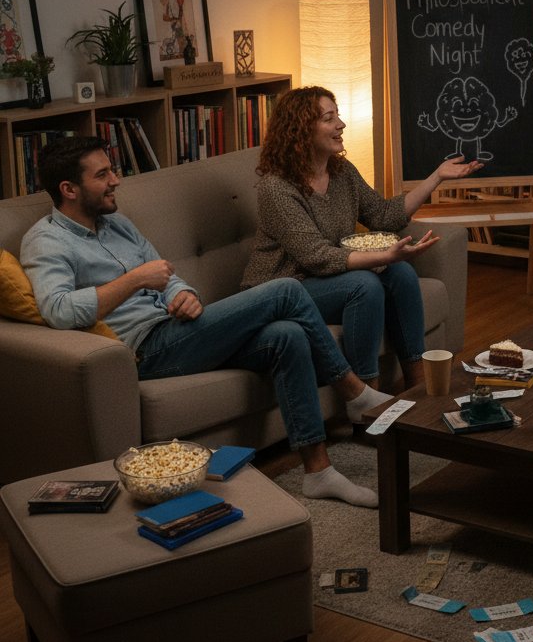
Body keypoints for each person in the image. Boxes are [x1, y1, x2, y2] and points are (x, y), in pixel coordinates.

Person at [21, 136, 383, 508]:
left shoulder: (117, 224)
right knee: (286, 291)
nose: (116, 180)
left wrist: (183, 294)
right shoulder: (46, 242)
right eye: (103, 174)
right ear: (69, 189)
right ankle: (354, 392)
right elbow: (59, 310)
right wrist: (136, 280)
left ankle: (318, 472)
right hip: (146, 350)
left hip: (175, 328)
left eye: (112, 169)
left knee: (286, 335)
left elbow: (166, 274)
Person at [241, 86, 482, 391]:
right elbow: (317, 256)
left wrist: (437, 177)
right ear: (301, 130)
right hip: (285, 287)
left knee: (401, 274)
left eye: (338, 115)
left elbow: (383, 215)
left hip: (325, 279)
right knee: (364, 284)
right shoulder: (277, 189)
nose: (341, 124)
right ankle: (366, 399)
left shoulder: (342, 172)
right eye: (330, 118)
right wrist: (384, 256)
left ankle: (418, 387)